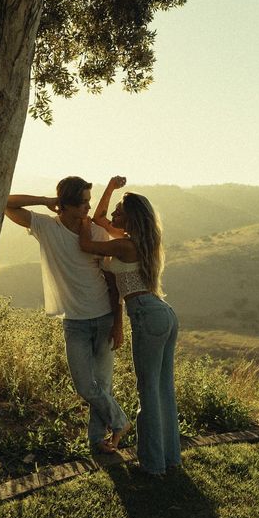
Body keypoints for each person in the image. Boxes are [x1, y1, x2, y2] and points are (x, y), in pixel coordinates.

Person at [5, 176, 129, 453]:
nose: (88, 207)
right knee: (86, 386)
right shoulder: (45, 227)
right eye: (84, 202)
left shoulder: (95, 233)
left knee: (103, 385)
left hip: (104, 316)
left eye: (88, 201)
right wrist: (45, 201)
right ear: (67, 205)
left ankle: (99, 442)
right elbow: (6, 203)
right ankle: (120, 422)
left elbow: (112, 282)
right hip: (74, 321)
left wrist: (118, 324)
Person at [79, 177, 181, 476]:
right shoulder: (138, 240)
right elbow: (101, 218)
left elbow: (86, 241)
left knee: (149, 389)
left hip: (147, 315)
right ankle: (168, 458)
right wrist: (110, 189)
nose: (111, 216)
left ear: (130, 218)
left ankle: (152, 465)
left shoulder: (124, 244)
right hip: (161, 313)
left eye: (118, 211)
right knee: (163, 388)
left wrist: (79, 218)